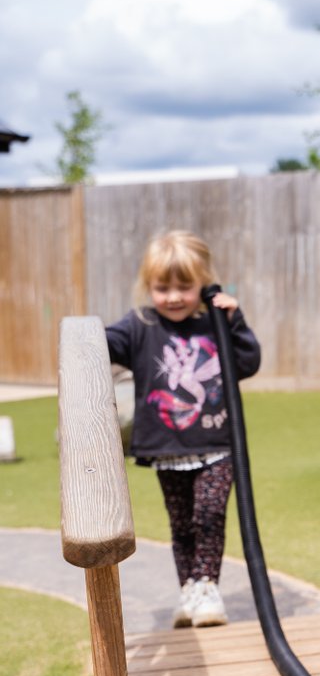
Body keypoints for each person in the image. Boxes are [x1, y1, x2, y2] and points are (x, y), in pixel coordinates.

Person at [106, 230, 261, 629]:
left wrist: (234, 320)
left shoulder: (215, 323)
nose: (173, 296)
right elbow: (104, 345)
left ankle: (207, 588)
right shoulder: (140, 325)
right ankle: (189, 592)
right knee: (181, 525)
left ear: (203, 284)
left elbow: (247, 362)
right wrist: (80, 336)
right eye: (162, 287)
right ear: (148, 286)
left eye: (185, 287)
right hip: (167, 448)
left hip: (216, 442)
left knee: (208, 514)